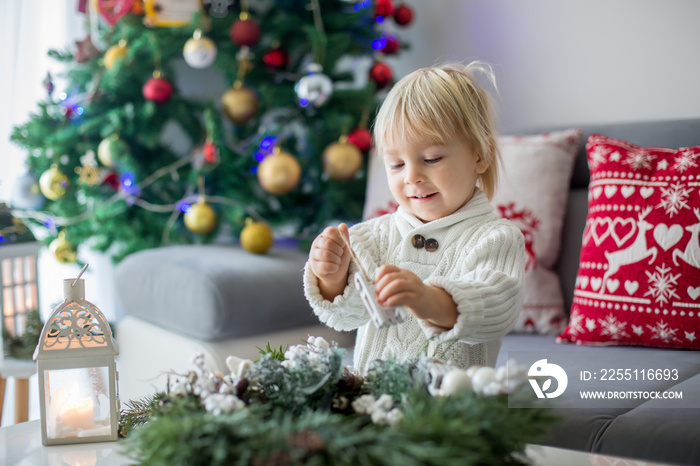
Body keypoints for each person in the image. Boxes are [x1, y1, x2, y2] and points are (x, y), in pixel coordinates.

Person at [303, 62, 525, 374]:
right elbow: (345, 316)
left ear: (481, 154)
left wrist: (430, 300)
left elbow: (496, 309)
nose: (412, 177)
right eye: (395, 164)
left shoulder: (496, 238)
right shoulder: (370, 238)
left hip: (452, 411)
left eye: (431, 159)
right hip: (372, 404)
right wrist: (331, 277)